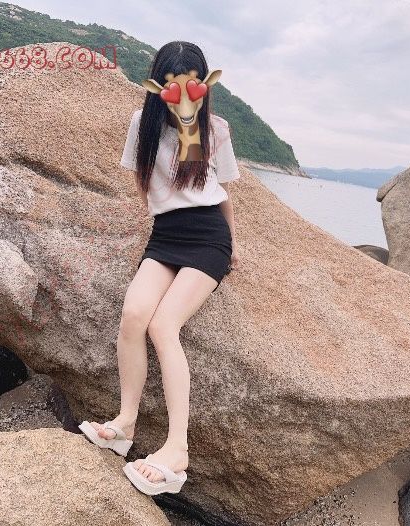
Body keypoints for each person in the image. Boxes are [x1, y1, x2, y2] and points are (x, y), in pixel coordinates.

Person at [80, 41, 241, 496]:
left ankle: (177, 450)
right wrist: (162, 209)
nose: (184, 96)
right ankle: (126, 423)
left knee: (163, 325)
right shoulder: (143, 124)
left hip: (208, 236)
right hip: (167, 235)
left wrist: (232, 245)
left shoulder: (216, 129)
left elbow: (221, 191)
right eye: (173, 87)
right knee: (133, 315)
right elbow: (143, 181)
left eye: (192, 86)